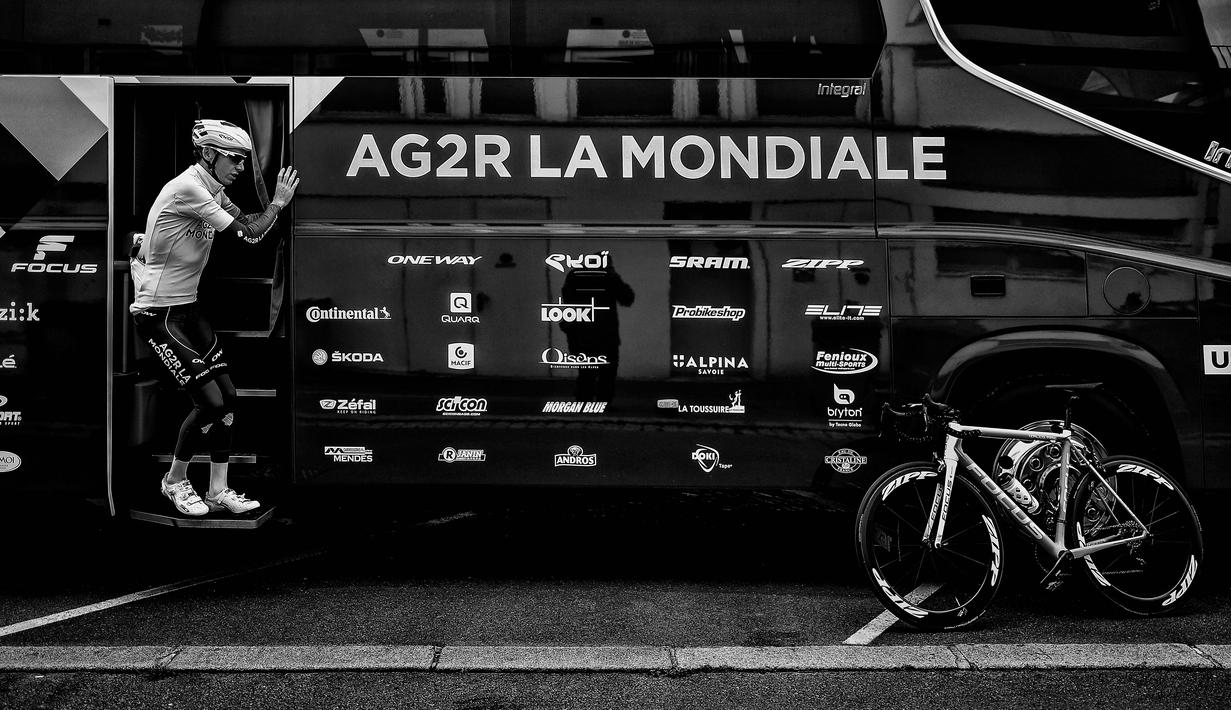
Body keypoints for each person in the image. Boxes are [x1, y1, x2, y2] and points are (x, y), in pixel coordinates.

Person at [130, 119, 299, 516]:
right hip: (160, 314)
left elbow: (247, 223)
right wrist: (277, 202)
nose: (241, 166)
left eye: (243, 159)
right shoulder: (188, 188)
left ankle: (218, 490)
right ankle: (173, 481)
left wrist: (269, 210)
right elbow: (251, 235)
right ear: (209, 154)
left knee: (229, 397)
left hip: (188, 308)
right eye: (234, 158)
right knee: (208, 401)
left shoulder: (213, 189)